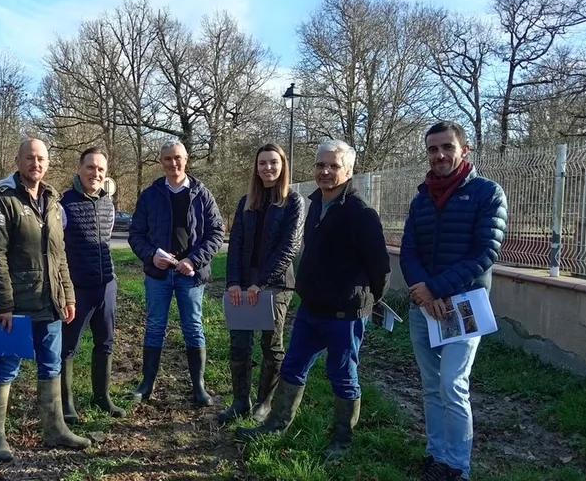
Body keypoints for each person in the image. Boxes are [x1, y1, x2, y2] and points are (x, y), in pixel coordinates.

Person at [237, 139, 390, 459]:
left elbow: (380, 268)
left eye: (334, 166)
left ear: (349, 170)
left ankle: (341, 440)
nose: (325, 171)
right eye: (320, 165)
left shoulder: (361, 213)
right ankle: (276, 424)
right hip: (310, 309)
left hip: (344, 314)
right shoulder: (316, 205)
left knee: (342, 375)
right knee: (293, 366)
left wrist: (366, 302)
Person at [401, 121, 507, 481]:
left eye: (447, 147)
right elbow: (409, 250)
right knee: (431, 386)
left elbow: (485, 252)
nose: (440, 155)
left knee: (452, 385)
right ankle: (436, 456)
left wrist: (435, 289)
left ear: (464, 149)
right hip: (424, 307)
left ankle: (457, 467)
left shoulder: (487, 193)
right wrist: (421, 290)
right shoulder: (421, 199)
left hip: (463, 306)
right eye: (433, 149)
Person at [0, 137, 91, 462]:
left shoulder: (53, 201)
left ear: (48, 163)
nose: (35, 163)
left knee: (51, 364)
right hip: (17, 306)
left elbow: (60, 255)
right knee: (7, 366)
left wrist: (67, 295)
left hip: (51, 302)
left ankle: (55, 429)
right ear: (18, 161)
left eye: (41, 158)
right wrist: (4, 305)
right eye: (29, 158)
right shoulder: (1, 201)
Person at [127, 140, 225, 407]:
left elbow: (216, 234)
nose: (173, 163)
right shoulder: (150, 195)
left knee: (193, 327)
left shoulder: (202, 194)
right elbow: (136, 234)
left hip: (190, 275)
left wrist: (194, 260)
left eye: (177, 158)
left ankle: (199, 387)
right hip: (158, 275)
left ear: (186, 159)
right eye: (167, 158)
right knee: (154, 326)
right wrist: (151, 255)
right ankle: (146, 384)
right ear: (161, 162)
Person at [218, 144, 305, 425]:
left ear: (283, 166)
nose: (268, 168)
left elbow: (289, 247)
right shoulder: (247, 202)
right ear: (256, 168)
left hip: (275, 285)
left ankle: (264, 404)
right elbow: (235, 244)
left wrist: (261, 283)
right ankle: (239, 402)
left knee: (271, 345)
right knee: (239, 345)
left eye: (273, 162)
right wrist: (234, 282)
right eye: (262, 163)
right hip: (243, 285)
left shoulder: (293, 201)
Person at [59, 146, 126, 423]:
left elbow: (106, 241)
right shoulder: (63, 204)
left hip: (106, 285)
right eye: (90, 167)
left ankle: (102, 398)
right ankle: (65, 404)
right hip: (77, 288)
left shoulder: (108, 203)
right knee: (67, 347)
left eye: (100, 169)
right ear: (79, 169)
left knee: (105, 343)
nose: (95, 173)